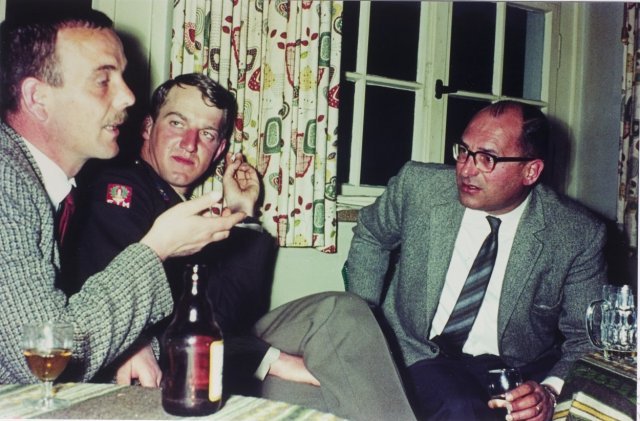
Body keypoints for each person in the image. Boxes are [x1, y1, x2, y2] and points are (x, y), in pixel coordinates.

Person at [62, 73, 417, 421]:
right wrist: (269, 359)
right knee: (316, 360)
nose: (189, 143)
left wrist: (242, 213)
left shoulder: (186, 209)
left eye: (206, 133)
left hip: (221, 348)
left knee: (337, 323)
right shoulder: (121, 190)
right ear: (147, 127)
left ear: (219, 150)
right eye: (176, 123)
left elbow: (231, 313)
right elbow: (114, 307)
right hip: (175, 360)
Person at [0, 10, 246, 384]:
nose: (129, 96)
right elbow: (38, 360)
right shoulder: (7, 181)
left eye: (123, 77)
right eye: (103, 81)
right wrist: (156, 249)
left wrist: (135, 345)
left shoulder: (53, 188)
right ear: (37, 99)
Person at [346, 100, 607, 420]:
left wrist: (550, 392)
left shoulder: (576, 233)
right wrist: (363, 323)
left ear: (530, 171)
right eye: (464, 151)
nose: (466, 169)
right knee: (461, 408)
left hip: (515, 366)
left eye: (487, 158)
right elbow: (371, 235)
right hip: (421, 351)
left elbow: (588, 336)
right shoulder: (419, 188)